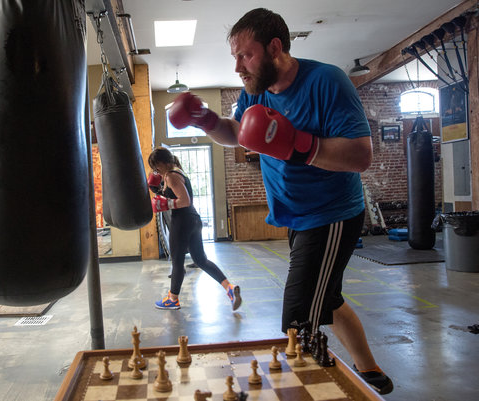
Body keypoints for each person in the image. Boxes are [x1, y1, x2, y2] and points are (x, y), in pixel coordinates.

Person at [167, 8, 392, 395]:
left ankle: (305, 391)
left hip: (332, 214)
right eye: (234, 57)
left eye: (245, 54)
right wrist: (206, 120)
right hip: (295, 215)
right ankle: (372, 374)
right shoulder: (255, 89)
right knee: (328, 298)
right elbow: (238, 133)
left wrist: (298, 146)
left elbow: (361, 156)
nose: (238, 66)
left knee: (297, 319)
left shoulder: (327, 81)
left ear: (275, 47)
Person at [147, 147, 241, 311]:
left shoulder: (171, 176)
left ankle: (173, 299)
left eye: (156, 166)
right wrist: (156, 190)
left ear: (163, 162)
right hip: (192, 220)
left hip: (182, 221)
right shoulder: (177, 172)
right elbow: (174, 194)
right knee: (200, 260)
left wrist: (166, 204)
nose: (156, 170)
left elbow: (185, 201)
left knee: (177, 261)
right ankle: (229, 288)